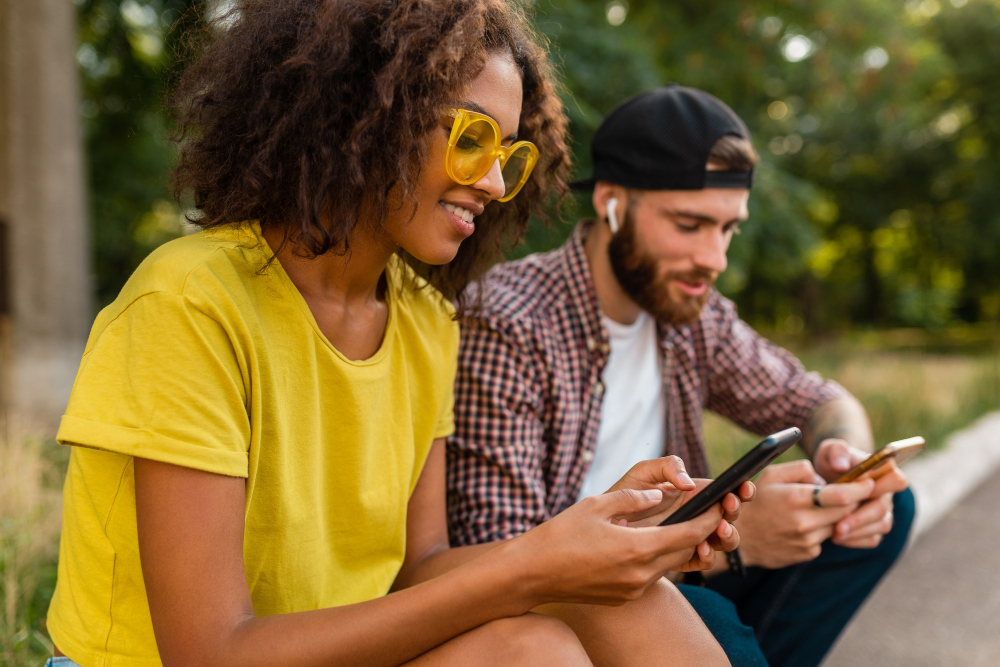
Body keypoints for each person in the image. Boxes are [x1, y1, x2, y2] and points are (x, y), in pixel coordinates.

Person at [45, 5, 749, 667]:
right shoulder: (189, 304)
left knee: (616, 607)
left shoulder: (424, 318)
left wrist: (599, 543)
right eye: (471, 138)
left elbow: (420, 566)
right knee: (533, 651)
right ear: (364, 114)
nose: (496, 180)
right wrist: (533, 564)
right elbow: (211, 651)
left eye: (509, 152)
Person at [447, 84, 916, 667]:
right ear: (612, 203)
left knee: (888, 512)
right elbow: (499, 563)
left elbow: (817, 400)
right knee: (712, 618)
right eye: (690, 225)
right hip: (562, 613)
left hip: (675, 572)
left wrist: (849, 466)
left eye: (727, 230)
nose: (715, 259)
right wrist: (724, 550)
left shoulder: (690, 312)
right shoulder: (509, 322)